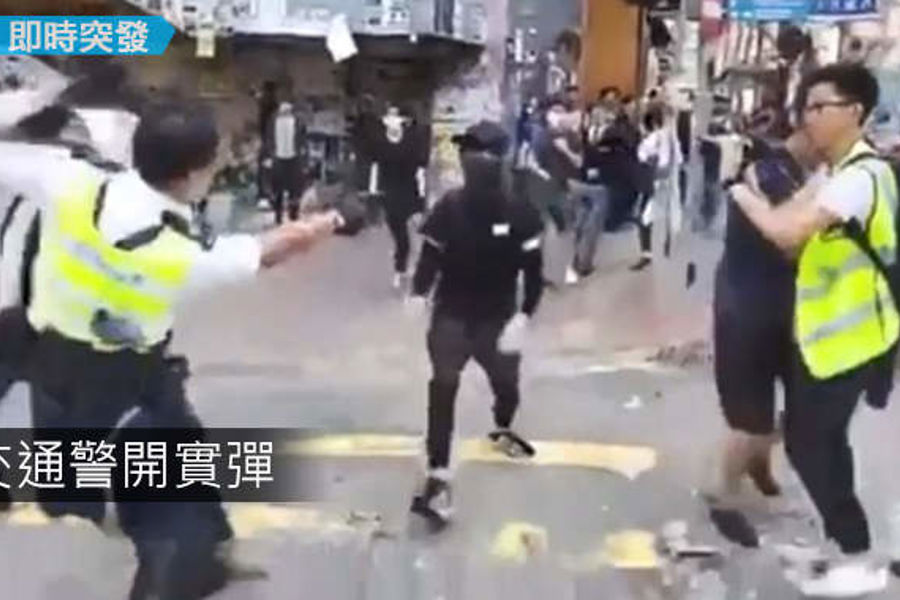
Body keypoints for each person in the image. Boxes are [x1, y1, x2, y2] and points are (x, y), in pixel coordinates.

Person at [7, 101, 353, 599]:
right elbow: (271, 248)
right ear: (190, 174)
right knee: (161, 508)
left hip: (62, 362)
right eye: (212, 165)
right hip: (118, 381)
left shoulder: (73, 180)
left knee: (172, 453)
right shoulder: (177, 254)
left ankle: (211, 549)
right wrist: (335, 218)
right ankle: (174, 571)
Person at [731, 63, 895, 596]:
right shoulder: (837, 172)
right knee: (817, 440)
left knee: (810, 442)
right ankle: (845, 544)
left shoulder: (860, 178)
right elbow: (795, 216)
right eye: (806, 107)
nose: (808, 118)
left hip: (853, 342)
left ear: (855, 112)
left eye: (820, 107)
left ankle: (856, 553)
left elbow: (785, 232)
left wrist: (741, 193)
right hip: (830, 340)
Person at [406, 121, 545, 530]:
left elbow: (534, 273)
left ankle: (503, 424)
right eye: (468, 152)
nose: (473, 160)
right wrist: (418, 293)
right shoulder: (449, 207)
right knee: (443, 385)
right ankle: (438, 474)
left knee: (506, 386)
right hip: (451, 313)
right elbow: (430, 258)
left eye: (481, 152)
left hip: (497, 318)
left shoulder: (522, 212)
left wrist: (524, 316)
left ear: (500, 159)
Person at [706, 127, 821, 548]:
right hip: (747, 308)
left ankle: (759, 464)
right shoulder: (767, 171)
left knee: (805, 404)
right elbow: (789, 238)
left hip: (786, 308)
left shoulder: (804, 174)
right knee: (749, 417)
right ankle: (723, 498)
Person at [372, 104, 427, 289]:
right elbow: (376, 166)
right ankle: (401, 268)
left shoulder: (412, 140)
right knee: (401, 237)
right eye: (390, 117)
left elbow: (420, 170)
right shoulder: (380, 142)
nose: (393, 121)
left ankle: (410, 268)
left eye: (396, 117)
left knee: (415, 233)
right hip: (391, 195)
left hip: (410, 193)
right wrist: (375, 190)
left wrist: (421, 195)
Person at [632, 104, 682, 271]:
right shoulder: (672, 137)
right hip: (671, 183)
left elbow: (641, 156)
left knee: (643, 217)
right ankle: (667, 247)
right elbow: (679, 160)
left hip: (656, 183)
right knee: (670, 215)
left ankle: (647, 254)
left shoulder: (654, 138)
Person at [267, 100, 309, 225]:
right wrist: (269, 155)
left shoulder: (298, 122)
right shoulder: (273, 122)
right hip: (278, 158)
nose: (285, 112)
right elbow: (269, 139)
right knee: (278, 189)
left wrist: (304, 160)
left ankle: (293, 215)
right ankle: (278, 216)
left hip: (293, 158)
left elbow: (303, 141)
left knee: (294, 189)